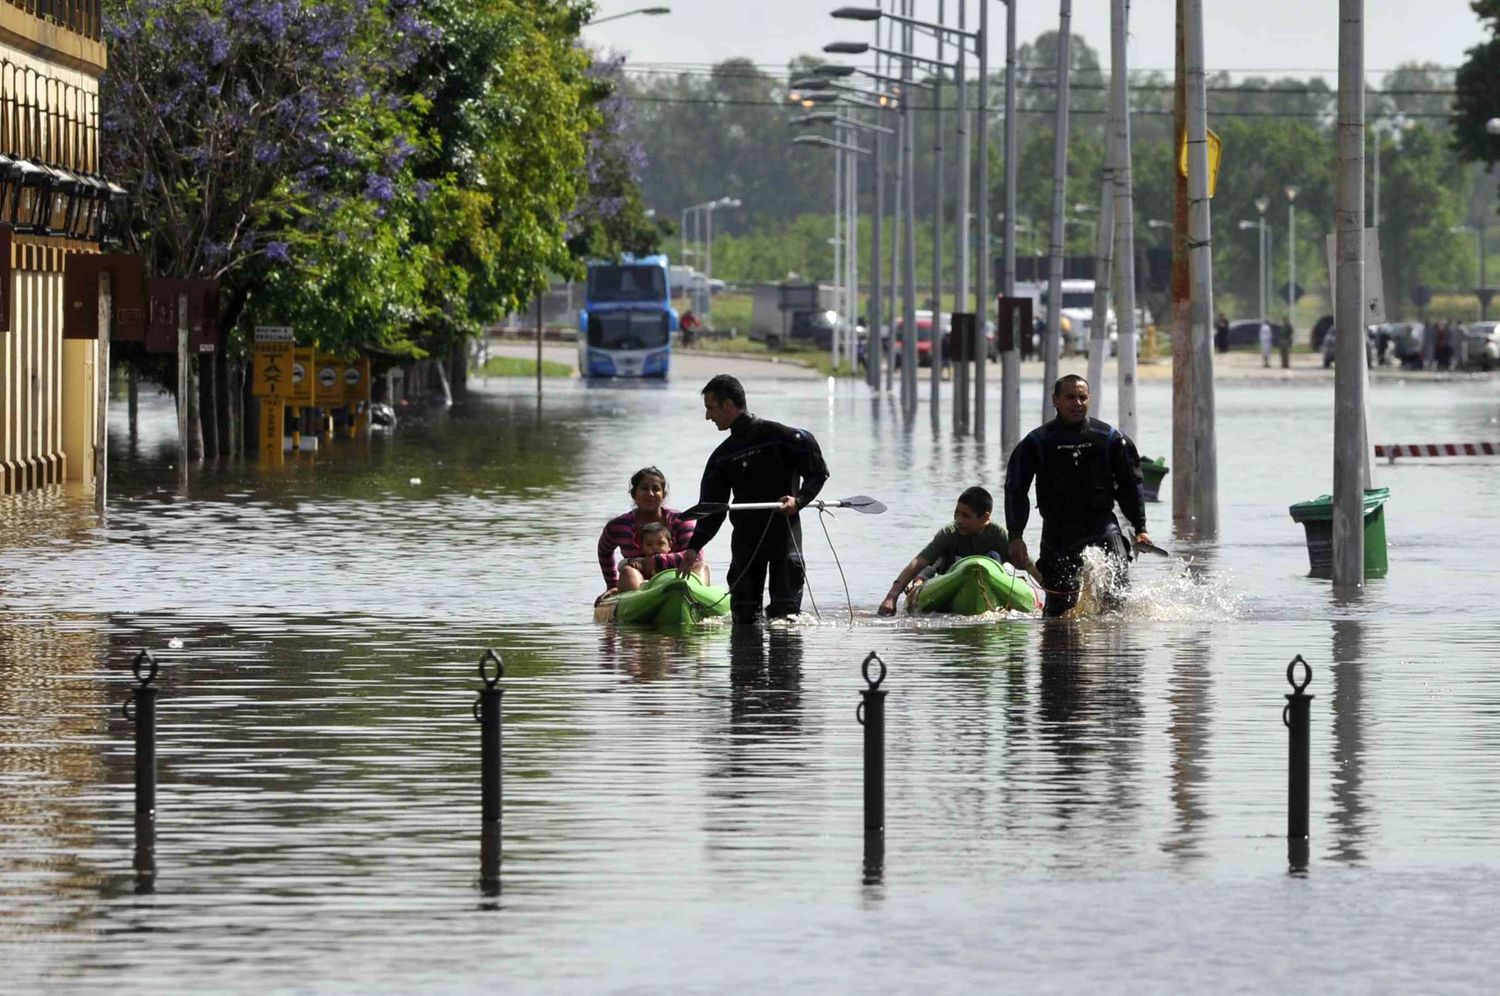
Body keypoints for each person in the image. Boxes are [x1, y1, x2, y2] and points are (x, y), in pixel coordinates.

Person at [679, 374, 829, 625]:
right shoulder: (722, 457)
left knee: (786, 619)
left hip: (785, 537)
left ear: (728, 405)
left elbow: (818, 473)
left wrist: (799, 501)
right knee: (744, 619)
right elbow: (712, 510)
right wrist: (693, 548)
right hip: (746, 543)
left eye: (710, 408)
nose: (708, 417)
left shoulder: (785, 438)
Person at [1004, 374, 1151, 618]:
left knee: (1117, 602)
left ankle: (1117, 653)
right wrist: (1015, 535)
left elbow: (1130, 485)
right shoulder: (1037, 442)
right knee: (1059, 612)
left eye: (1082, 397)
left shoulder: (1109, 438)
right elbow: (1016, 489)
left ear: (1089, 400)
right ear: (1055, 400)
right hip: (1058, 532)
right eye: (1070, 397)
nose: (1077, 403)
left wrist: (1140, 527)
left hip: (1102, 526)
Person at [877, 486, 1011, 615]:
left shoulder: (998, 535)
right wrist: (891, 597)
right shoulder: (949, 533)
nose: (959, 520)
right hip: (950, 574)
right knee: (939, 556)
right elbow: (918, 562)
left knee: (997, 558)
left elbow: (1026, 564)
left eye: (966, 516)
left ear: (985, 518)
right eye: (956, 513)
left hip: (990, 576)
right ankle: (920, 581)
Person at [596, 466, 707, 601]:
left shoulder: (681, 520)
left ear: (663, 495)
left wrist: (650, 562)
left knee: (701, 566)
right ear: (633, 494)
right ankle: (640, 605)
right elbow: (604, 551)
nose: (650, 494)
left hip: (679, 577)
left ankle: (696, 602)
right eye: (644, 488)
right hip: (641, 583)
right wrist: (612, 584)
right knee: (626, 570)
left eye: (656, 489)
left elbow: (696, 555)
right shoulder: (618, 526)